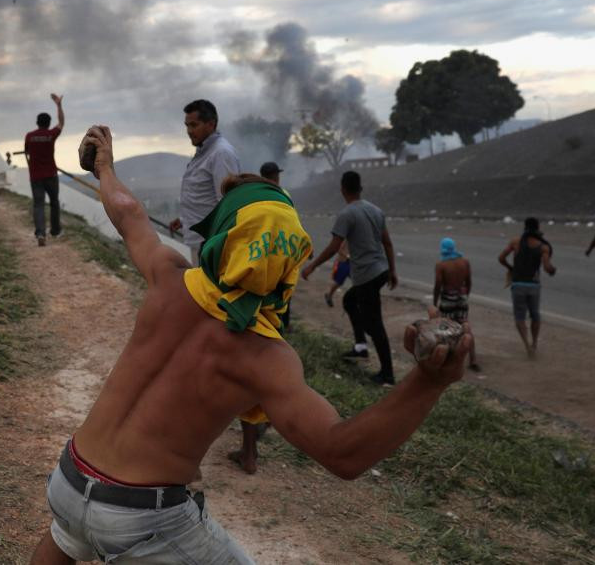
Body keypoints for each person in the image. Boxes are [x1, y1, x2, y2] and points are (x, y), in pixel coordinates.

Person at [30, 126, 472, 565]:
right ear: (289, 263)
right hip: (142, 517)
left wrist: (104, 166)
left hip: (69, 479)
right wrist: (428, 382)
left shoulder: (169, 277)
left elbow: (129, 215)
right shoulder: (267, 358)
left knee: (72, 532)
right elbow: (344, 453)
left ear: (223, 237)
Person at [301, 171, 399, 386]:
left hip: (366, 275)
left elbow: (335, 247)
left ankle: (388, 375)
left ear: (343, 189)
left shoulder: (347, 214)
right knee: (349, 300)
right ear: (360, 188)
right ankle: (361, 347)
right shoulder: (375, 210)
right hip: (380, 270)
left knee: (375, 323)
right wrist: (392, 271)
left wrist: (312, 266)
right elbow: (388, 243)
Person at [228, 159, 286, 476]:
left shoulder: (253, 212)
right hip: (274, 304)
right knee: (265, 371)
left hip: (250, 306)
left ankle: (249, 452)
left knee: (247, 378)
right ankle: (257, 437)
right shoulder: (284, 205)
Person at [168, 100, 241, 265]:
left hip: (211, 245)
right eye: (187, 125)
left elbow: (228, 204)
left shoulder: (221, 154)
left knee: (211, 291)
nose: (189, 131)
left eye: (194, 125)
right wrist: (184, 219)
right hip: (199, 242)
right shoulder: (204, 152)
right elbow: (203, 197)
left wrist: (217, 247)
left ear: (211, 124)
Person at [499, 218, 557, 358]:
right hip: (534, 286)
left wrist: (510, 268)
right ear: (537, 228)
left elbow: (501, 258)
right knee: (535, 315)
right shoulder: (543, 246)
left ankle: (526, 345)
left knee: (519, 317)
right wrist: (552, 270)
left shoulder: (515, 242)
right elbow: (547, 267)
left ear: (524, 227)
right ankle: (534, 344)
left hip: (518, 284)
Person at [430, 237, 479, 372]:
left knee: (446, 327)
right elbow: (469, 282)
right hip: (461, 297)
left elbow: (438, 285)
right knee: (465, 326)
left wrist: (435, 302)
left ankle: (447, 358)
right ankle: (473, 358)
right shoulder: (464, 262)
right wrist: (464, 296)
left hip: (447, 300)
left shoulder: (441, 265)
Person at [25, 94, 65, 246]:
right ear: (49, 124)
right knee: (54, 202)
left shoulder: (29, 136)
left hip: (35, 176)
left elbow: (27, 153)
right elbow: (61, 123)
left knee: (38, 204)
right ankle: (55, 231)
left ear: (37, 123)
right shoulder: (51, 134)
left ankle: (41, 233)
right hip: (51, 175)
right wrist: (59, 105)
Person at [324, 241, 351, 308]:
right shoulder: (347, 239)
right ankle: (329, 295)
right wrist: (347, 256)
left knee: (359, 281)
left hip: (353, 263)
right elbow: (339, 250)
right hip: (344, 262)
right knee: (339, 282)